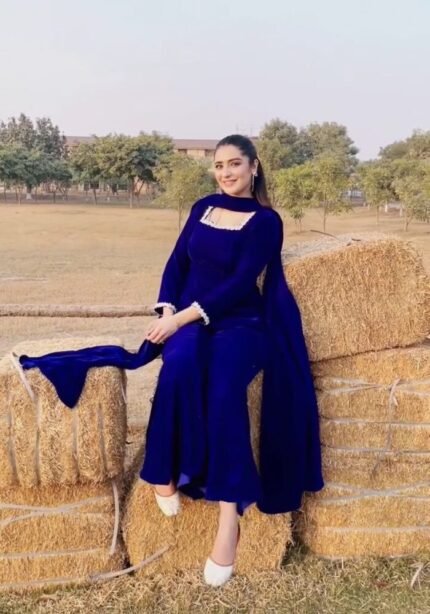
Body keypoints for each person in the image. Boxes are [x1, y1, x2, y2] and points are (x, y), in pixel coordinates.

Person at [18, 134, 323, 588]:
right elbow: (177, 262)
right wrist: (166, 309)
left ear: (254, 167)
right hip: (186, 318)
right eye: (219, 165)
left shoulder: (266, 221)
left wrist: (180, 319)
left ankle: (229, 517)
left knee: (224, 389)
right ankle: (162, 471)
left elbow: (241, 283)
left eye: (234, 164)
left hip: (240, 323)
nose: (225, 173)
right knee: (178, 366)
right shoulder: (203, 207)